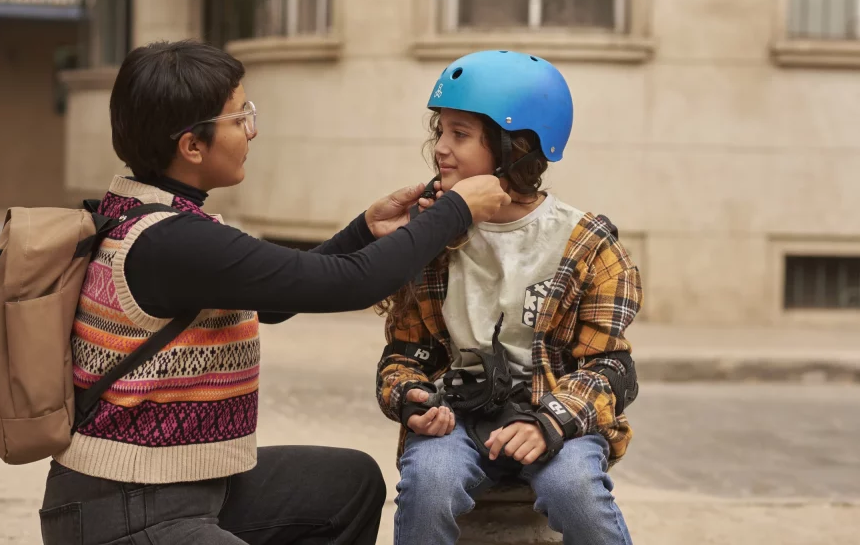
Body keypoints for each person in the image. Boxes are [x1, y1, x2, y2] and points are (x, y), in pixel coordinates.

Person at [38, 40, 511, 545]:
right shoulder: (170, 241)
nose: (252, 130)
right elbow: (352, 284)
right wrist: (457, 210)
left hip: (184, 486)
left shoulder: (155, 217)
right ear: (192, 146)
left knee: (347, 486)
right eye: (239, 117)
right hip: (126, 510)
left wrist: (363, 231)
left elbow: (274, 303)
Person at [375, 50, 642, 545]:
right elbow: (404, 355)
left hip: (554, 411)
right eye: (440, 131)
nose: (440, 148)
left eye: (460, 134)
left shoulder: (587, 243)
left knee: (574, 489)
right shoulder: (431, 236)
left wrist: (551, 422)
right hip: (456, 415)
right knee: (429, 482)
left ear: (514, 147)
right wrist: (410, 396)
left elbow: (609, 367)